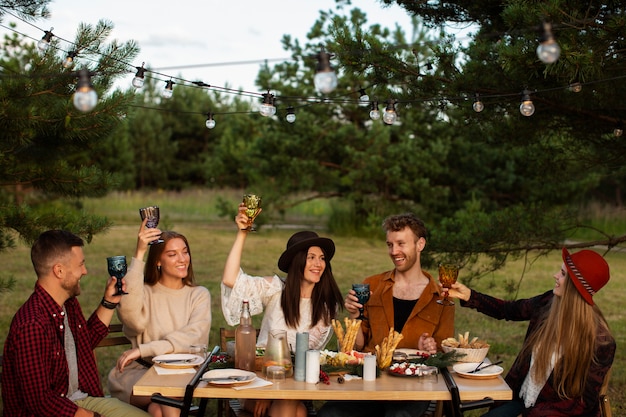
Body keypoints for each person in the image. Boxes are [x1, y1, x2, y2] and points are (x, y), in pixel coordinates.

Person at [445, 248, 615, 417]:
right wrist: (469, 296)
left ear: (575, 286)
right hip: (522, 402)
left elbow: (581, 404)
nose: (555, 275)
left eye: (563, 274)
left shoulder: (600, 342)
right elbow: (509, 310)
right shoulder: (548, 303)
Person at [318, 212, 455, 417]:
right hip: (371, 380)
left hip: (413, 385)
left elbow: (445, 353)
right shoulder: (372, 285)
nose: (394, 251)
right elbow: (356, 347)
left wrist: (430, 349)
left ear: (420, 244)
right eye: (390, 244)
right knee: (330, 414)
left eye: (401, 244)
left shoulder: (441, 297)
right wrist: (355, 317)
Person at [1, 230, 150, 417]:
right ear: (59, 270)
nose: (85, 271)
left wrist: (108, 303)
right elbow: (40, 402)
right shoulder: (32, 324)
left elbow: (84, 344)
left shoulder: (68, 304)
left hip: (79, 400)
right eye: (81, 264)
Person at [221, 203, 344, 417]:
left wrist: (281, 393)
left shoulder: (325, 308)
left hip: (295, 386)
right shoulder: (277, 289)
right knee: (294, 412)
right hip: (258, 380)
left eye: (322, 258)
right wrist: (242, 233)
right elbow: (231, 279)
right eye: (311, 257)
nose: (318, 264)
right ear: (297, 261)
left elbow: (305, 360)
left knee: (293, 410)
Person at [107, 219, 211, 417]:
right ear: (157, 261)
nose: (182, 259)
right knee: (168, 401)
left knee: (158, 409)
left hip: (182, 374)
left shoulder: (198, 295)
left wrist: (143, 349)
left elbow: (192, 338)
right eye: (172, 254)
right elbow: (133, 322)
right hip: (141, 374)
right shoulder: (144, 292)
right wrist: (139, 254)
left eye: (185, 251)